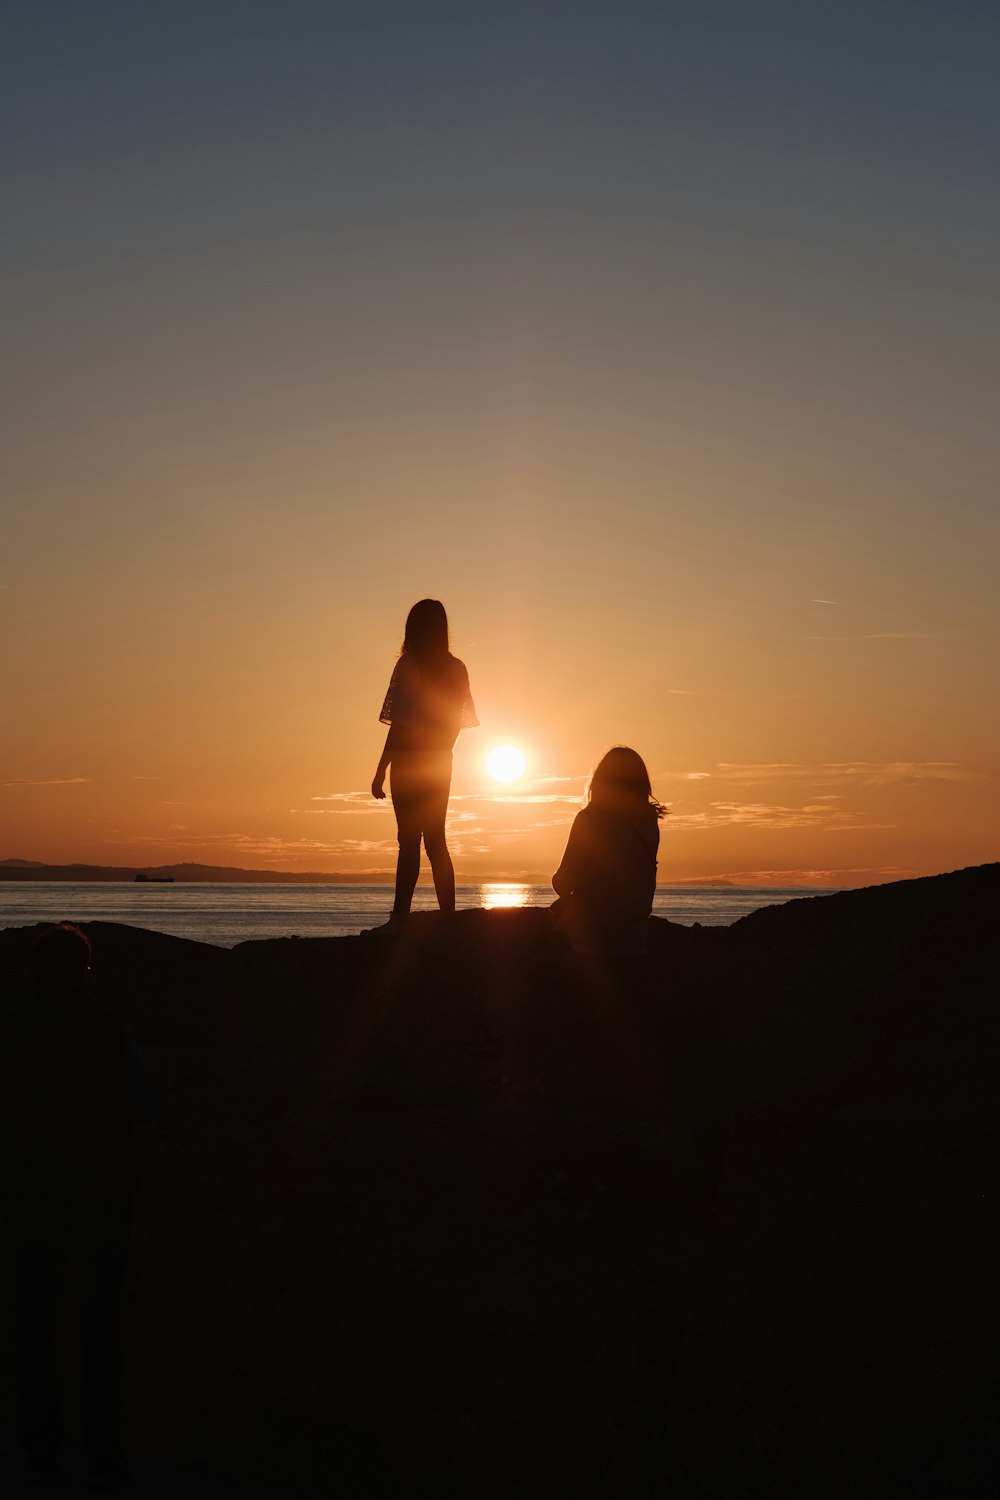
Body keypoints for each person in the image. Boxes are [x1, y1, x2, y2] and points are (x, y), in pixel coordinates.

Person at [0, 923, 157, 1487]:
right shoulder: (111, 1031)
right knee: (100, 1327)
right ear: (84, 971)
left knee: (33, 1323)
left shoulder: (11, 1033)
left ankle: (40, 1444)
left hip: (32, 1191)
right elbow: (146, 1105)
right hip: (103, 1189)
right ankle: (103, 1452)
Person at [371, 599, 478, 925]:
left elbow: (400, 725)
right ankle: (449, 919)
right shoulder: (456, 669)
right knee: (435, 842)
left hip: (409, 763)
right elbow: (454, 726)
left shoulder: (408, 666)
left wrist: (381, 769)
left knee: (409, 842)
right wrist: (439, 752)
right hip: (437, 764)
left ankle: (399, 917)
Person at [551, 746, 666, 955]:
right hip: (634, 936)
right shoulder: (649, 821)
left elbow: (564, 883)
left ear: (600, 781)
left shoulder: (591, 819)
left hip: (591, 937)